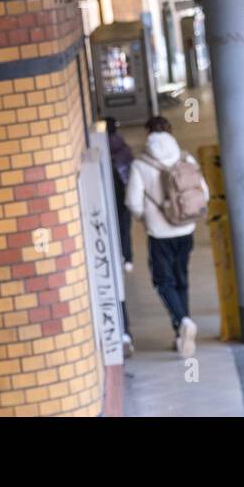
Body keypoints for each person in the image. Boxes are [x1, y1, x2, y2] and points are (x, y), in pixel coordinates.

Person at [125, 115, 209, 357]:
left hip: (159, 235)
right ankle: (181, 333)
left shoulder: (140, 165)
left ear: (148, 134)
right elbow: (204, 192)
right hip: (186, 229)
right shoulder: (185, 158)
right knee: (181, 279)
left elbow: (132, 202)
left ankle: (183, 321)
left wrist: (146, 218)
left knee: (163, 282)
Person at [105, 117, 136, 356]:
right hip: (123, 205)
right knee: (125, 232)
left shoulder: (102, 156)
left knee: (113, 283)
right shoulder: (123, 150)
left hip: (106, 220)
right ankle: (129, 259)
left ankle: (123, 334)